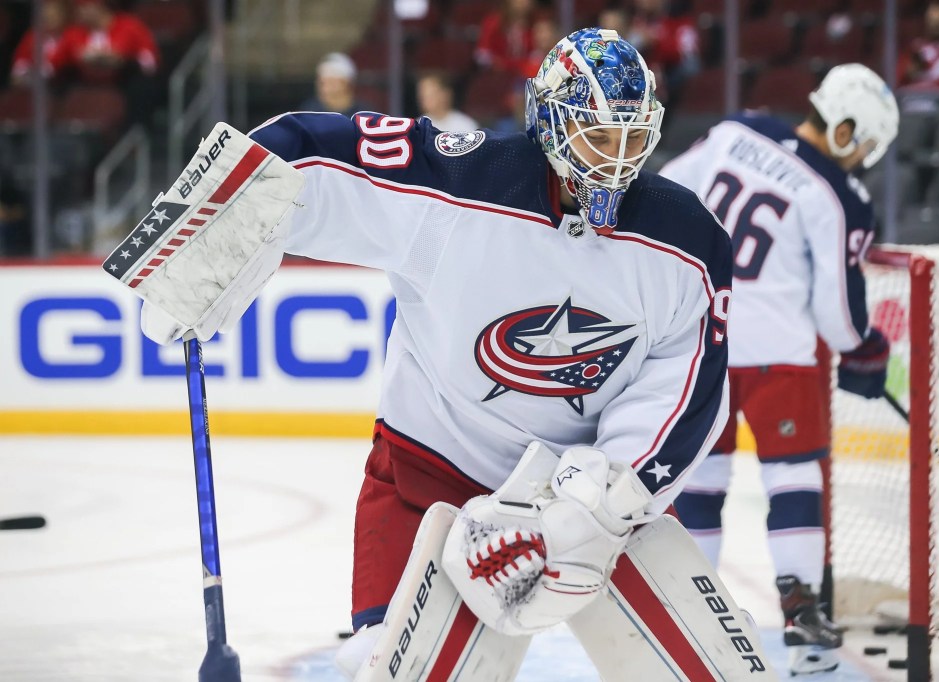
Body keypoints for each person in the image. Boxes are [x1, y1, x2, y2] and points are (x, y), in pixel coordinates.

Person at [142, 28, 733, 676]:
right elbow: (304, 149)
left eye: (632, 138)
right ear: (550, 123)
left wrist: (604, 501)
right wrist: (201, 237)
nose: (617, 160)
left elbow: (684, 384)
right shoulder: (459, 182)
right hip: (432, 474)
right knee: (384, 664)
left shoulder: (688, 241)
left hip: (585, 493)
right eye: (598, 136)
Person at [659, 63, 898, 675]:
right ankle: (804, 628)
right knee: (792, 479)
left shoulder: (736, 130)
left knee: (702, 480)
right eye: (865, 145)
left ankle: (690, 619)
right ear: (846, 129)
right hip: (779, 358)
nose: (861, 160)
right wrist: (865, 349)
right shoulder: (840, 196)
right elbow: (838, 314)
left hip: (705, 342)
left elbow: (663, 197)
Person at [9, 0, 85, 87]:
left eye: (54, 15)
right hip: (32, 87)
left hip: (65, 88)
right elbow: (20, 63)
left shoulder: (73, 34)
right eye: (46, 14)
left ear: (64, 15)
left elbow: (70, 60)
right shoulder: (33, 36)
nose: (49, 18)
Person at [298, 52, 371, 117]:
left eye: (331, 81)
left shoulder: (364, 113)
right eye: (322, 82)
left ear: (346, 82)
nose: (325, 87)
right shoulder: (309, 111)